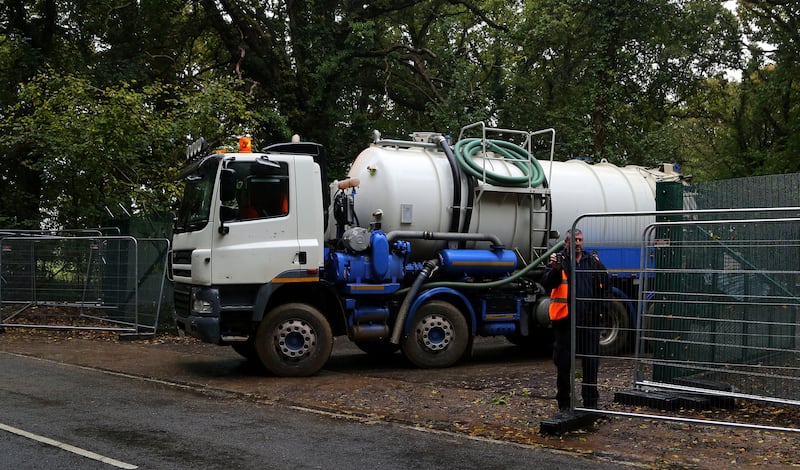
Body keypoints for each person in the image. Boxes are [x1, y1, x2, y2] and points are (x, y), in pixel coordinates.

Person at [541, 229, 609, 411]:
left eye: (580, 240)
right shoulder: (559, 262)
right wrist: (555, 270)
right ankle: (564, 404)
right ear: (567, 242)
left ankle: (591, 403)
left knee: (591, 364)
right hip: (565, 323)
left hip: (589, 323)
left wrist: (599, 314)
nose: (578, 243)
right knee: (564, 365)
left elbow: (605, 289)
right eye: (574, 240)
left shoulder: (592, 263)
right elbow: (548, 284)